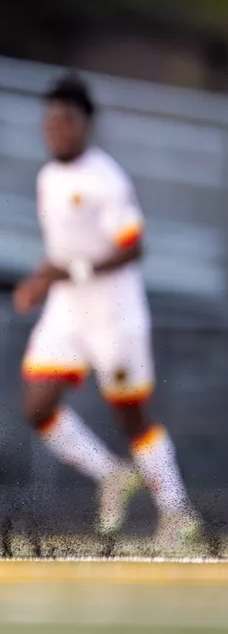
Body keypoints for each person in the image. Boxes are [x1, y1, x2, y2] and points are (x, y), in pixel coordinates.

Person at [14, 73, 201, 549]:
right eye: (50, 119)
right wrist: (40, 280)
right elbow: (63, 249)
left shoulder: (106, 178)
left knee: (130, 416)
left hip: (114, 314)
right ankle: (111, 475)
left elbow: (133, 247)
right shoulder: (47, 176)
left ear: (86, 124)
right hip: (67, 310)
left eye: (67, 120)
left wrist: (68, 271)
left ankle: (178, 513)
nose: (56, 128)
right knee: (38, 408)